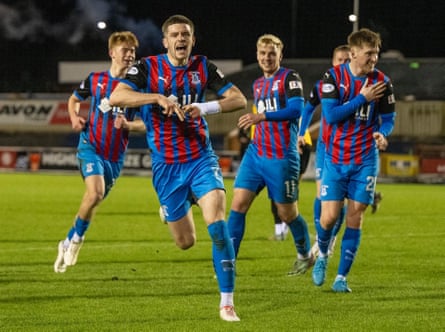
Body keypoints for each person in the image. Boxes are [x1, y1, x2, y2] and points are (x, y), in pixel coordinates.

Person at [109, 15, 247, 322]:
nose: (181, 38)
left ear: (192, 40)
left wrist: (205, 107)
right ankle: (177, 204)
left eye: (186, 34)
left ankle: (227, 302)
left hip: (201, 158)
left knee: (219, 225)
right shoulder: (147, 68)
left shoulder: (203, 67)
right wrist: (155, 97)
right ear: (166, 41)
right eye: (175, 34)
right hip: (167, 167)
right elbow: (117, 95)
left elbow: (239, 99)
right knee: (186, 243)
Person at [311, 28, 396, 292]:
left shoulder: (382, 81)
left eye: (376, 54)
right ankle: (323, 254)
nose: (374, 59)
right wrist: (363, 98)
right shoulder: (332, 77)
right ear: (354, 53)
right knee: (328, 218)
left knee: (356, 214)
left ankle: (341, 278)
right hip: (335, 157)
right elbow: (332, 115)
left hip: (365, 159)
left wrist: (382, 134)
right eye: (369, 54)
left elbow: (389, 118)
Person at [227, 34, 313, 277]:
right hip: (256, 154)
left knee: (288, 214)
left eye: (272, 53)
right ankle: (228, 263)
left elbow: (296, 109)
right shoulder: (257, 84)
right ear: (257, 55)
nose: (267, 57)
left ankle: (304, 255)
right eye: (263, 53)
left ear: (280, 55)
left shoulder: (290, 78)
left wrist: (261, 117)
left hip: (281, 157)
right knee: (238, 205)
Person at [54, 31, 140, 274]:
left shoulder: (138, 89)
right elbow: (74, 99)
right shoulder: (96, 79)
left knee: (94, 200)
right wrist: (73, 117)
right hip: (90, 146)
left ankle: (68, 240)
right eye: (126, 50)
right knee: (95, 194)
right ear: (112, 53)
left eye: (133, 51)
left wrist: (129, 125)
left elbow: (147, 124)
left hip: (115, 157)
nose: (130, 55)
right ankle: (78, 241)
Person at [298, 45, 351, 256]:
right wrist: (301, 133)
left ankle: (329, 241)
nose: (343, 63)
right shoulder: (324, 85)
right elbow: (309, 107)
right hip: (325, 147)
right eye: (340, 59)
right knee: (321, 195)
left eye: (347, 59)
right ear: (333, 61)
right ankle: (322, 242)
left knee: (340, 200)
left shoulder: (358, 87)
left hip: (348, 149)